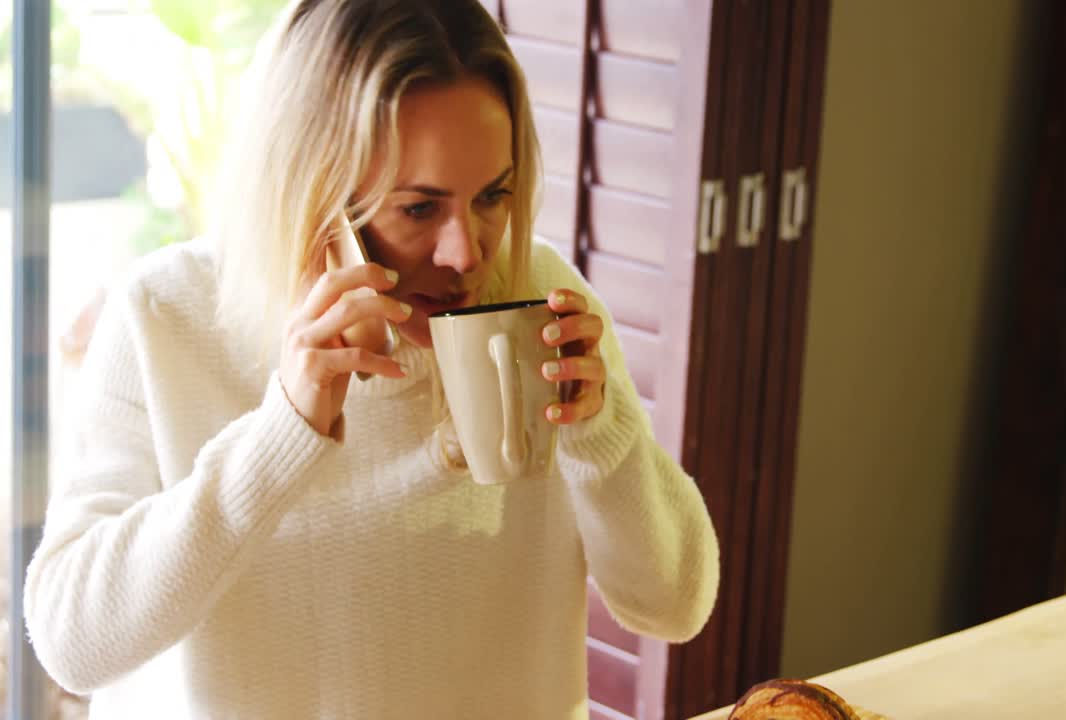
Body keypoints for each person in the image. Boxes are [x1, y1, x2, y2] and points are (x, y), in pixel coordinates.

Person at [23, 1, 719, 717]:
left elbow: (677, 605)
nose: (468, 255)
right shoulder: (163, 317)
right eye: (419, 208)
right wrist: (281, 433)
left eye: (493, 196)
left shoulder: (541, 294)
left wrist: (601, 436)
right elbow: (74, 642)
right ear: (313, 190)